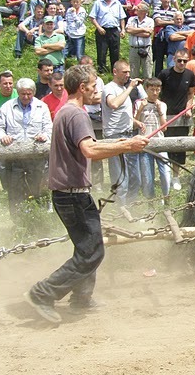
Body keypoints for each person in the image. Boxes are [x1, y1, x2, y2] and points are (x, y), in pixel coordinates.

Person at [24, 64, 148, 324]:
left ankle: (81, 297)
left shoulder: (65, 111)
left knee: (88, 246)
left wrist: (123, 144)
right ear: (82, 87)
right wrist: (127, 145)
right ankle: (43, 293)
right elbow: (90, 151)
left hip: (68, 193)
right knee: (92, 250)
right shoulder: (77, 115)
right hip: (72, 194)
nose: (97, 91)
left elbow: (90, 145)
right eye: (94, 86)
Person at [0, 78, 52, 219]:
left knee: (37, 188)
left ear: (34, 92)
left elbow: (49, 128)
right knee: (15, 191)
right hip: (14, 159)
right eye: (22, 94)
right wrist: (3, 137)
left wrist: (44, 136)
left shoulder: (41, 107)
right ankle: (18, 221)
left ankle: (39, 219)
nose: (26, 97)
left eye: (29, 94)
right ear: (18, 93)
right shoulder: (7, 107)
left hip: (36, 157)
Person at [102, 60, 144, 208]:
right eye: (124, 72)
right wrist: (130, 88)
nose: (128, 75)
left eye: (129, 72)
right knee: (121, 181)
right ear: (115, 72)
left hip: (129, 135)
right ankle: (119, 212)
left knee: (136, 179)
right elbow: (113, 104)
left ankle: (129, 209)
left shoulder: (123, 89)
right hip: (115, 137)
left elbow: (122, 113)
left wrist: (135, 122)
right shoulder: (109, 88)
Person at [158, 49, 195, 190]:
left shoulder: (190, 75)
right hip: (166, 116)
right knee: (165, 146)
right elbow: (156, 92)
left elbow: (191, 94)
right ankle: (166, 175)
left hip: (182, 117)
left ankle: (176, 176)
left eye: (185, 61)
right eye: (179, 60)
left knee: (180, 147)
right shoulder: (165, 74)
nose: (182, 63)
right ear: (174, 59)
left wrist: (189, 107)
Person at [134, 77, 170, 202]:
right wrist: (140, 110)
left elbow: (164, 128)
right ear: (146, 89)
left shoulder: (162, 105)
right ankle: (151, 201)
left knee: (165, 172)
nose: (155, 93)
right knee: (147, 176)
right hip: (145, 143)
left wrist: (160, 111)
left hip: (160, 142)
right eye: (152, 90)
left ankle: (167, 198)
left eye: (157, 90)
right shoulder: (139, 103)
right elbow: (134, 124)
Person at [89, 0, 127, 73]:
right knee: (102, 52)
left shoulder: (117, 3)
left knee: (115, 52)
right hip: (102, 30)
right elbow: (92, 17)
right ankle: (101, 71)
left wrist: (123, 29)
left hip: (114, 30)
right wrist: (98, 27)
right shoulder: (98, 3)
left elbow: (122, 18)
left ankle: (114, 71)